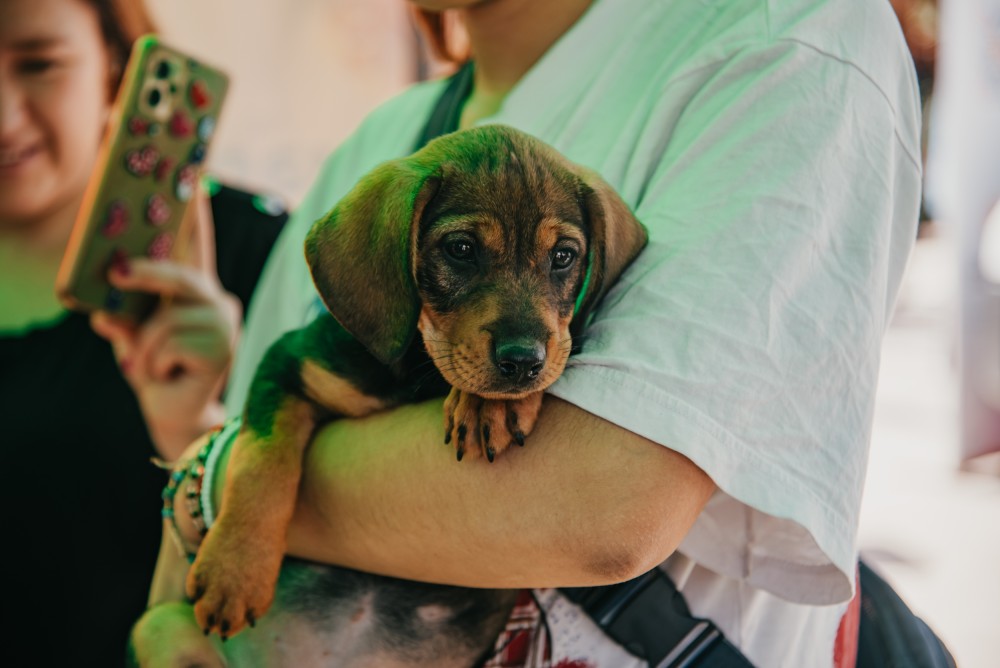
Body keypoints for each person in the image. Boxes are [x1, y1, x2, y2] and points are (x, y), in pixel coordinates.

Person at [130, 0, 924, 666]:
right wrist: (201, 473)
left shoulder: (789, 36)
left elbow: (606, 510)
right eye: (460, 253)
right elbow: (247, 433)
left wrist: (220, 480)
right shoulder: (377, 151)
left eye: (562, 266)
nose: (527, 337)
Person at [0, 1, 283, 664]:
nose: (3, 116)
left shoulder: (257, 254)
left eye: (39, 64)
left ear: (116, 66)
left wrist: (200, 429)